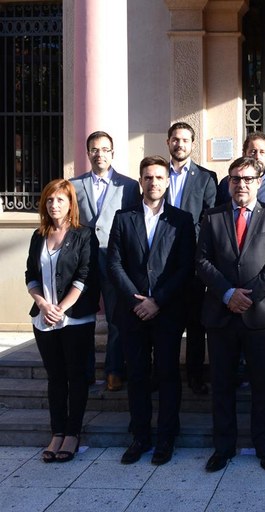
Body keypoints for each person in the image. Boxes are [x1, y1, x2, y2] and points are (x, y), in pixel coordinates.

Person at [196, 156, 265, 473]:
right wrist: (227, 294)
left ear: (259, 182)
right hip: (220, 314)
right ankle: (223, 447)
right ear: (229, 182)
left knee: (263, 386)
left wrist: (248, 296)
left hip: (260, 315)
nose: (241, 184)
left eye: (248, 179)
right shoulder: (212, 216)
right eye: (236, 179)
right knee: (222, 385)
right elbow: (202, 261)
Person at [108, 156, 195, 466]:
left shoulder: (181, 220)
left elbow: (185, 266)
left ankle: (167, 436)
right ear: (141, 180)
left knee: (169, 374)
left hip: (167, 310)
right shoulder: (123, 217)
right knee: (138, 375)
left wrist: (157, 299)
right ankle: (140, 436)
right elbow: (115, 263)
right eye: (148, 177)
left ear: (168, 181)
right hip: (132, 313)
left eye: (159, 177)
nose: (154, 182)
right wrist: (136, 300)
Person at [26, 179, 100, 462]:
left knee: (76, 377)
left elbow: (85, 275)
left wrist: (62, 308)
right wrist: (43, 304)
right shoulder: (38, 235)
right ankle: (56, 432)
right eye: (49, 200)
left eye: (59, 199)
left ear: (70, 204)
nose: (54, 205)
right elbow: (30, 274)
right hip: (44, 320)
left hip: (75, 321)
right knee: (55, 378)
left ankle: (72, 433)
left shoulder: (83, 235)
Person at [70, 131, 140, 391]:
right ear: (88, 153)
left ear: (113, 152)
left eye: (105, 149)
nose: (100, 154)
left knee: (116, 317)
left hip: (113, 257)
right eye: (94, 149)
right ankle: (85, 371)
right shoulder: (74, 185)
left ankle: (114, 370)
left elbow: (134, 223)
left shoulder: (130, 185)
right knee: (82, 317)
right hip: (84, 258)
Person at [165, 121, 217, 395]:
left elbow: (207, 220)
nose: (180, 144)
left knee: (196, 324)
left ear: (192, 144)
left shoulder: (206, 178)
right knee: (165, 323)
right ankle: (164, 374)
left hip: (193, 263)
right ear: (168, 143)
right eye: (175, 139)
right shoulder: (158, 174)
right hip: (160, 264)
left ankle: (196, 375)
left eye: (185, 140)